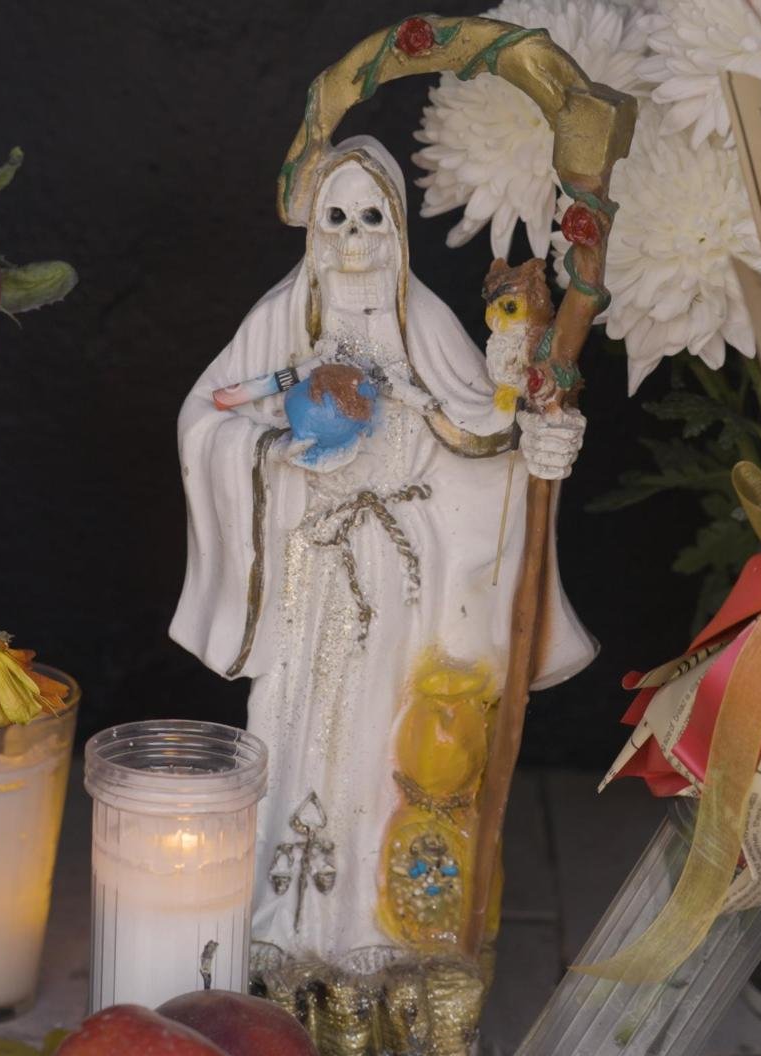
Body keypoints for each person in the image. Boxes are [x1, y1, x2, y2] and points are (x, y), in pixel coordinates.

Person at [172, 136, 595, 992]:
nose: (354, 240)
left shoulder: (429, 327)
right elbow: (204, 420)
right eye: (337, 219)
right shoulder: (282, 321)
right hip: (308, 575)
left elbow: (487, 445)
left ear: (397, 231)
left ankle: (381, 939)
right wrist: (276, 457)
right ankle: (282, 935)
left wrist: (539, 448)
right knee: (293, 731)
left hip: (403, 590)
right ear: (313, 230)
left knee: (381, 747)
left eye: (371, 219)